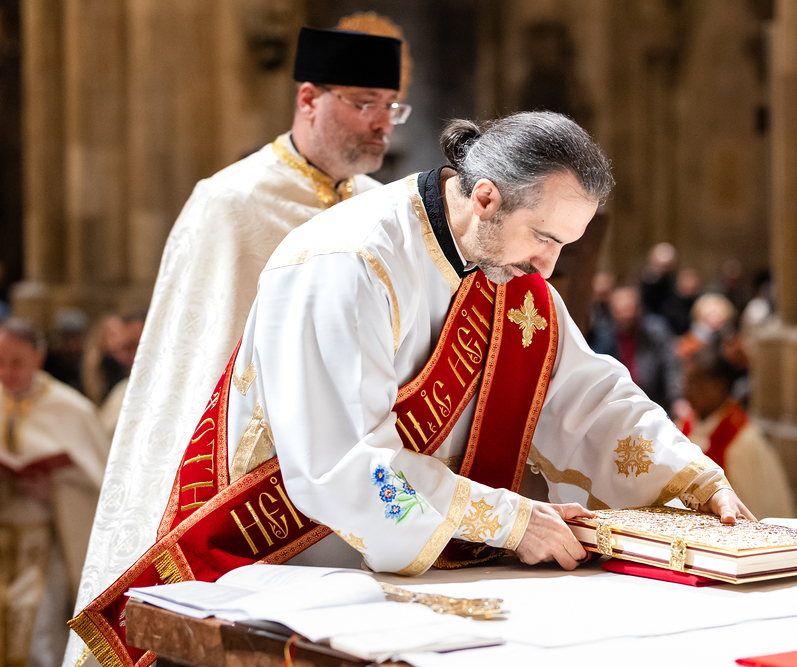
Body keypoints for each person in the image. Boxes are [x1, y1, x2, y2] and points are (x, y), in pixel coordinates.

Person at [71, 112, 756, 666]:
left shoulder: (506, 271)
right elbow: (345, 468)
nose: (549, 267)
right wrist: (510, 521)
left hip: (409, 580)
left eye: (563, 247)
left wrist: (692, 476)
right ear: (485, 196)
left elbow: (588, 396)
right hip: (282, 564)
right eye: (545, 237)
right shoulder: (346, 261)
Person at [68, 20, 412, 667]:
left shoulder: (381, 208)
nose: (381, 125)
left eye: (391, 108)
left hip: (350, 483)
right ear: (308, 99)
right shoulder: (230, 204)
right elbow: (191, 366)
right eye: (364, 103)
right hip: (246, 485)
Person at [0, 318, 110, 667]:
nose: (7, 373)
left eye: (17, 362)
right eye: (0, 362)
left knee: (39, 635)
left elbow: (102, 490)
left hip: (46, 543)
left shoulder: (71, 409)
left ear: (38, 358)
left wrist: (57, 492)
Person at [679, 338, 795, 520]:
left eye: (695, 381)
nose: (687, 390)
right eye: (686, 380)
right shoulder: (684, 428)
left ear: (718, 385)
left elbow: (761, 508)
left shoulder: (745, 442)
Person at [589, 285, 681, 410]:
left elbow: (670, 366)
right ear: (612, 310)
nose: (627, 314)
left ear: (638, 308)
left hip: (652, 400)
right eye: (622, 309)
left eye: (630, 308)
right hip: (617, 402)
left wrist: (676, 399)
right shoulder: (603, 334)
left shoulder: (655, 331)